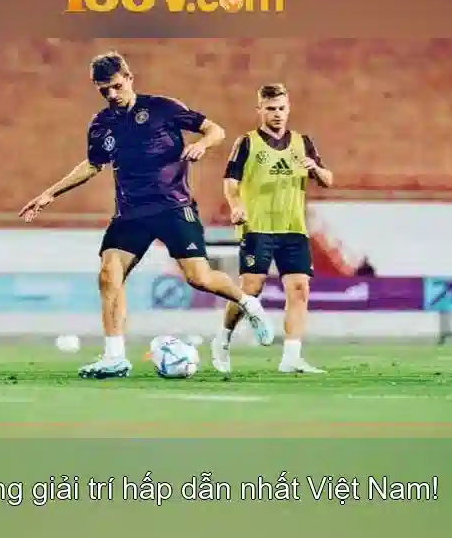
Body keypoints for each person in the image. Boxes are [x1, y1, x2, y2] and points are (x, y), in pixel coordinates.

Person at [19, 51, 275, 379]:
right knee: (108, 274)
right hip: (131, 213)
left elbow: (216, 130)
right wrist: (50, 193)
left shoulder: (162, 108)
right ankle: (114, 357)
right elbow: (93, 165)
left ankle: (248, 304)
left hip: (173, 206)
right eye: (104, 90)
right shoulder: (101, 124)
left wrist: (203, 145)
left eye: (116, 86)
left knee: (199, 278)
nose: (112, 94)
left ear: (129, 78)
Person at [211, 83, 333, 375]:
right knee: (250, 289)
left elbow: (328, 179)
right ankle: (223, 339)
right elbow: (231, 182)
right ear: (260, 110)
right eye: (270, 109)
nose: (277, 114)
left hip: (294, 228)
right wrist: (236, 206)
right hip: (258, 227)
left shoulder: (303, 143)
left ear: (288, 109)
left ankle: (291, 357)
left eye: (281, 108)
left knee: (299, 289)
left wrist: (315, 169)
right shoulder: (247, 143)